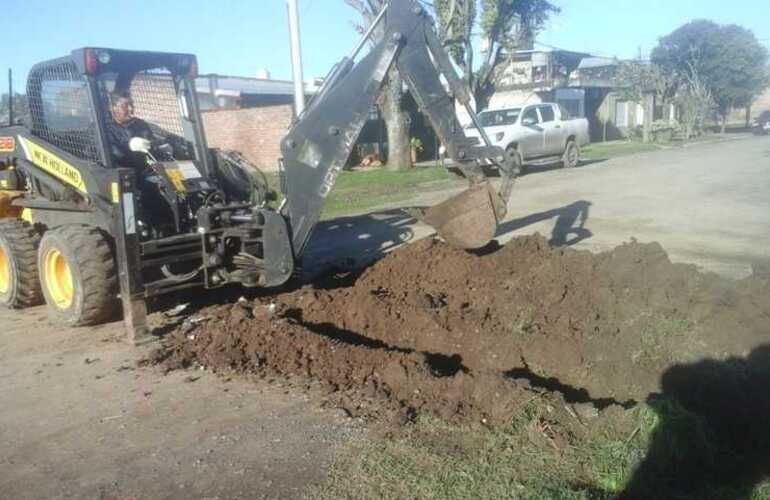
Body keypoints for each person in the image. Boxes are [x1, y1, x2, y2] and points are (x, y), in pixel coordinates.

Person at [105, 90, 156, 169]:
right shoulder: (106, 130)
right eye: (125, 106)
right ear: (113, 108)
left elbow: (152, 143)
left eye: (132, 104)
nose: (131, 109)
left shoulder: (141, 124)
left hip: (147, 169)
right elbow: (116, 154)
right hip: (125, 172)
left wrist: (156, 146)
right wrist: (130, 145)